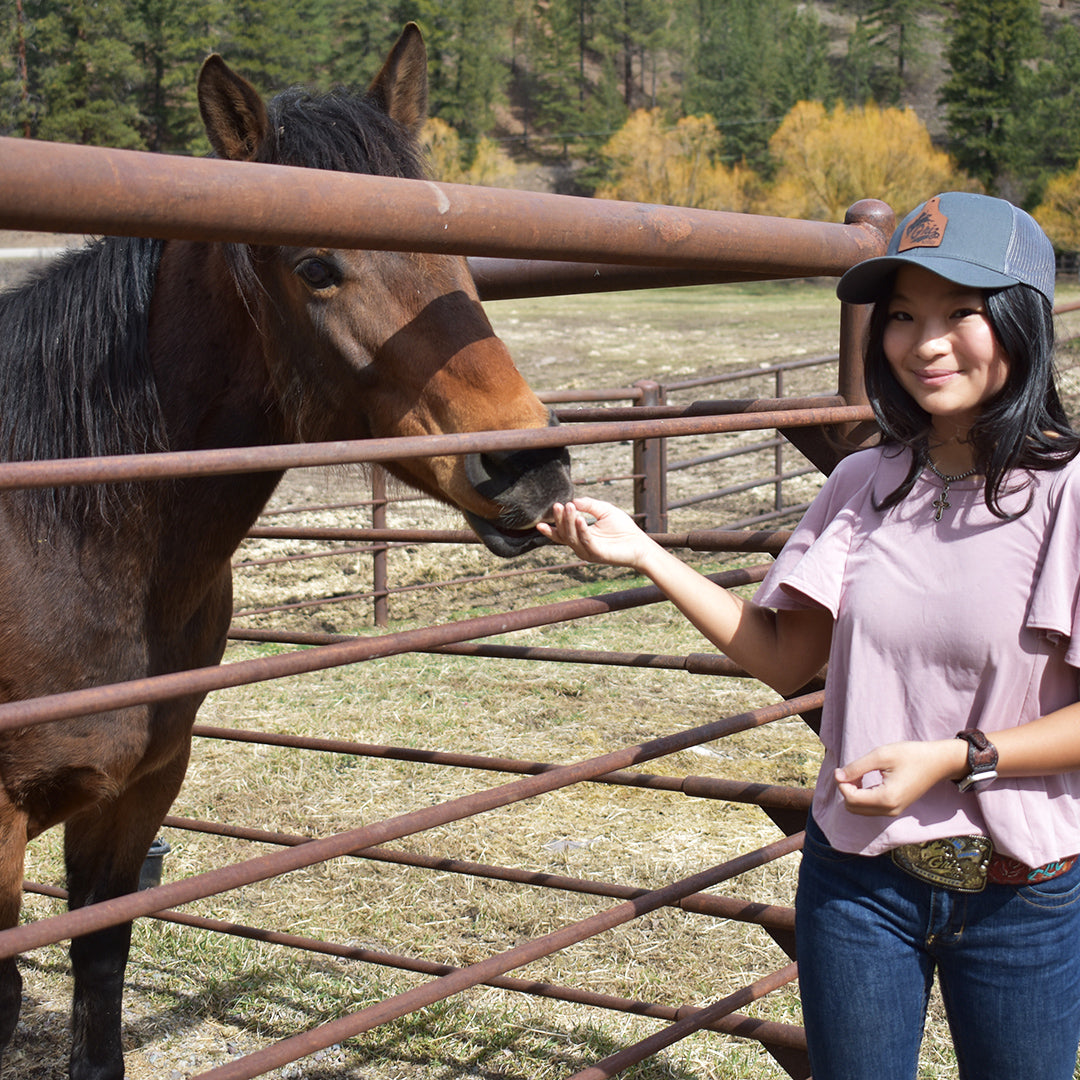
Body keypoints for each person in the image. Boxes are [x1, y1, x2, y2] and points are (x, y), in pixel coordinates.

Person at [537, 191, 1080, 1080]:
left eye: (961, 313)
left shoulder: (1069, 494)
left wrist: (952, 759)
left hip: (1021, 891)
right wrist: (646, 554)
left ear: (1023, 322)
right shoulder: (867, 480)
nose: (925, 342)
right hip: (859, 881)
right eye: (902, 315)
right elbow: (786, 655)